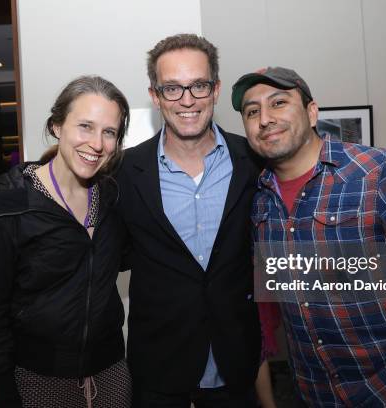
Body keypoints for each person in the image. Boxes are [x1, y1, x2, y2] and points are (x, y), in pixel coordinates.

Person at [232, 67, 386, 407]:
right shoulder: (260, 199)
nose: (265, 119)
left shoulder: (379, 173)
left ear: (312, 111)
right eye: (252, 111)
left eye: (278, 103)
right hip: (313, 392)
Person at [115, 33, 262, 407]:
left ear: (215, 89)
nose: (187, 100)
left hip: (237, 363)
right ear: (155, 95)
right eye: (172, 88)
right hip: (159, 367)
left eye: (198, 85)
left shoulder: (255, 162)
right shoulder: (126, 171)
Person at [0, 76, 132, 408]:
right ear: (57, 126)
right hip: (34, 378)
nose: (96, 143)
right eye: (85, 126)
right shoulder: (7, 201)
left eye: (109, 132)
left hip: (109, 372)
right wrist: (2, 391)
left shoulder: (112, 196)